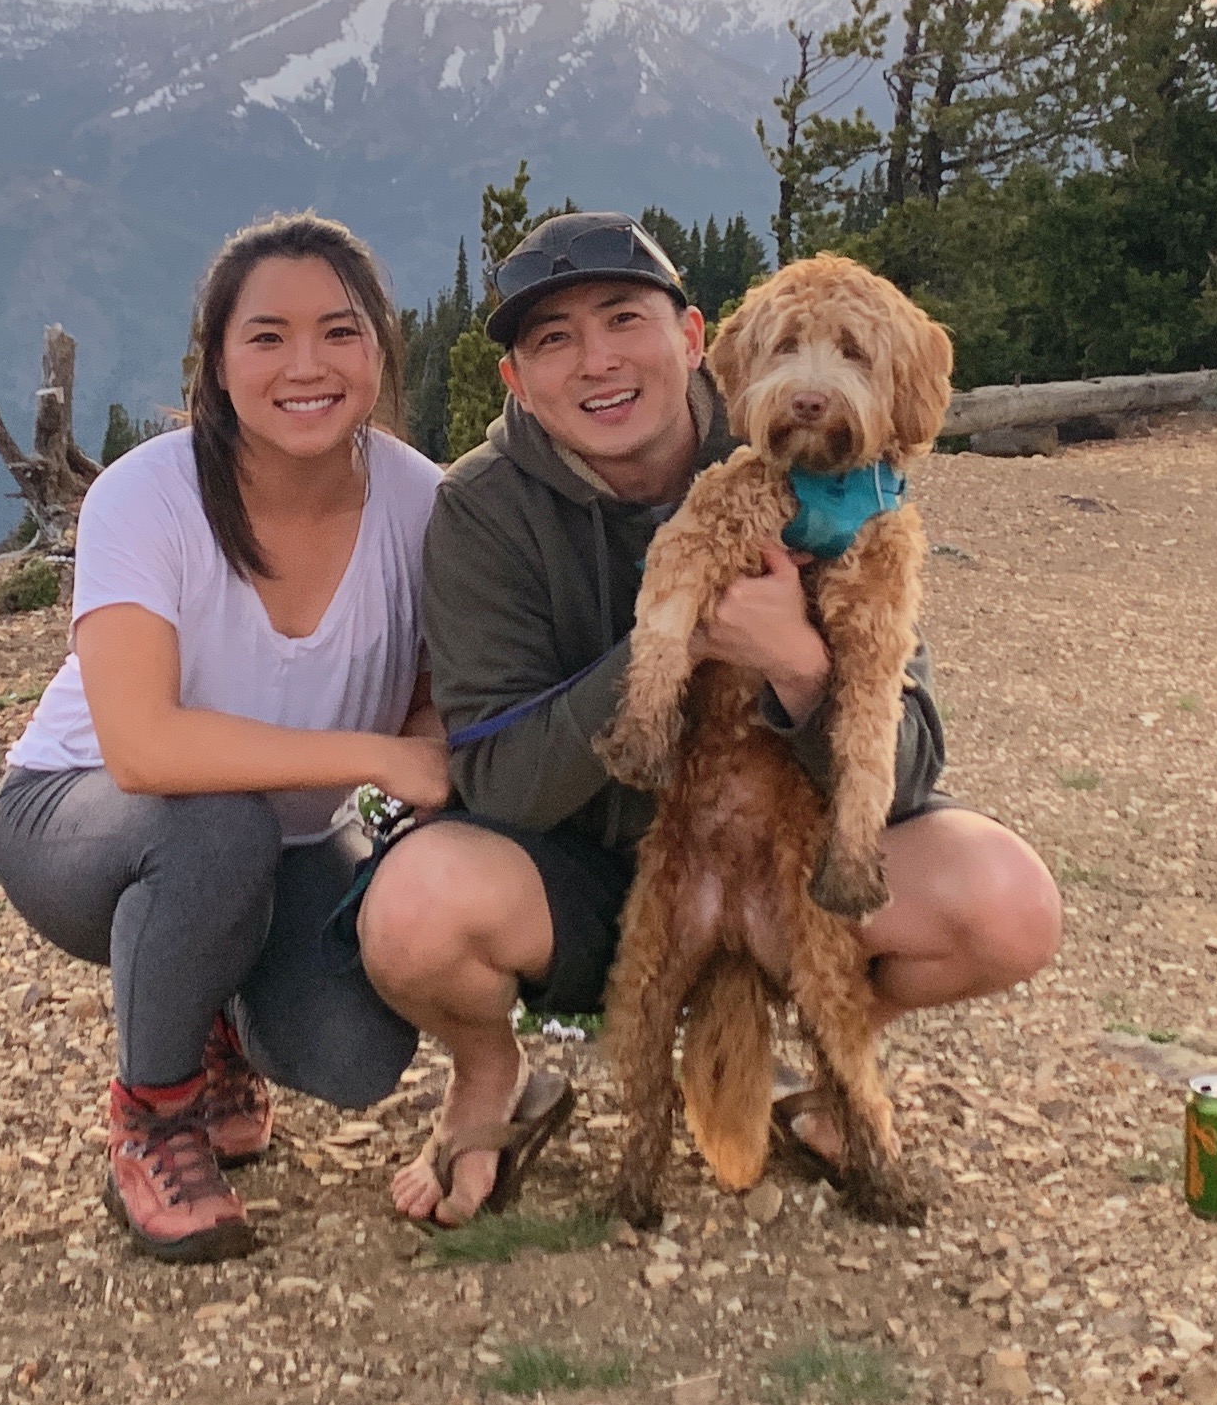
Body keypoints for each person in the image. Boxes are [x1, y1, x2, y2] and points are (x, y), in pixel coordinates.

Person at [357, 211, 1062, 1225]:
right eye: (552, 339)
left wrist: (797, 664)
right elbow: (499, 782)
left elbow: (909, 759)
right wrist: (679, 639)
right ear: (515, 381)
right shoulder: (481, 510)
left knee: (1009, 906)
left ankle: (824, 1068)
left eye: (622, 319)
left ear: (694, 341)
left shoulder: (810, 446)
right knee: (414, 913)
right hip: (590, 872)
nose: (597, 360)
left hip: (792, 853)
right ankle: (490, 1075)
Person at [0, 214, 442, 1261]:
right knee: (215, 830)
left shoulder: (424, 504)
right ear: (216, 364)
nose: (307, 366)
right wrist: (377, 760)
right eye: (268, 337)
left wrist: (430, 748)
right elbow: (146, 751)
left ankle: (213, 1014)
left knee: (357, 1051)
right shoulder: (145, 497)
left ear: (379, 346)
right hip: (82, 816)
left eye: (339, 332)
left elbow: (435, 691)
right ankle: (153, 1115)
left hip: (284, 840)